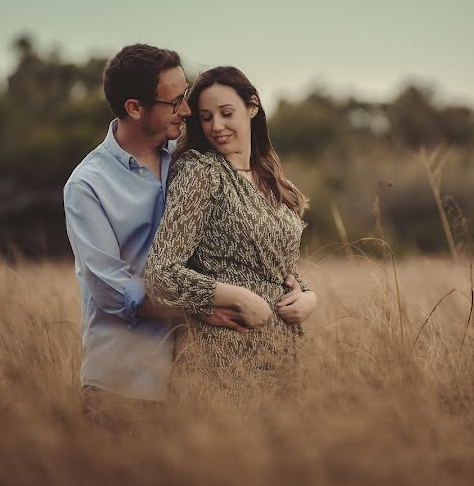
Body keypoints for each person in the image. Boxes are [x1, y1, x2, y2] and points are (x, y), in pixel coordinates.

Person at [63, 45, 295, 424]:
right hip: (125, 380)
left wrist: (295, 290)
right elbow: (113, 291)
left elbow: (241, 245)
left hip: (197, 375)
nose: (186, 110)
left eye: (185, 96)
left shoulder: (190, 160)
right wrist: (208, 302)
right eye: (175, 102)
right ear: (135, 108)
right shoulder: (87, 186)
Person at [144, 66, 318, 385]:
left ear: (252, 107)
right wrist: (238, 297)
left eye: (226, 113)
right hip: (224, 354)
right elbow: (160, 274)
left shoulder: (276, 183)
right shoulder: (202, 174)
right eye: (206, 117)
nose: (216, 126)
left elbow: (273, 267)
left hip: (284, 351)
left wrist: (307, 297)